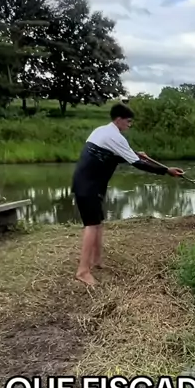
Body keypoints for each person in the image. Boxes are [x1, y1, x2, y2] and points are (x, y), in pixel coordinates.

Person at [72, 103, 184, 285]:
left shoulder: (101, 131)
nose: (129, 125)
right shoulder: (116, 137)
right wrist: (166, 171)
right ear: (118, 120)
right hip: (88, 186)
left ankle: (97, 260)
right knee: (91, 226)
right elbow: (138, 165)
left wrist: (134, 154)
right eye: (128, 121)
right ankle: (83, 271)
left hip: (88, 184)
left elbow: (112, 155)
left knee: (98, 223)